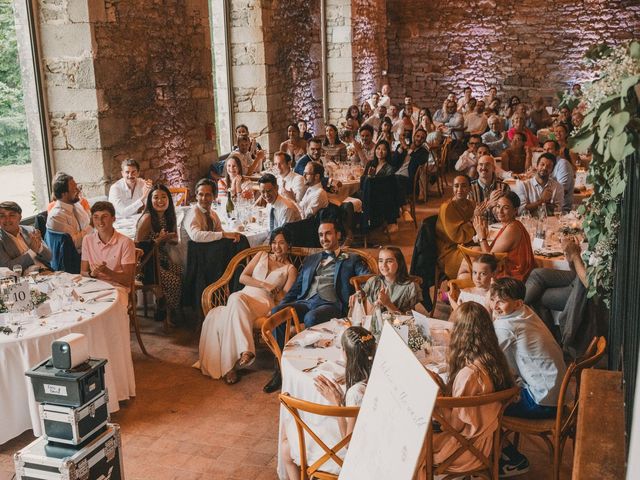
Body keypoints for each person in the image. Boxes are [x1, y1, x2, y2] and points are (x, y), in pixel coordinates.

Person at [264, 220, 370, 393]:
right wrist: (281, 307)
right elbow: (296, 288)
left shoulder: (351, 259)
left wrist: (359, 293)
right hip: (305, 301)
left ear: (338, 235)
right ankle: (280, 371)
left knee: (311, 317)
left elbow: (368, 278)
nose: (324, 238)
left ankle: (314, 370)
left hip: (331, 304)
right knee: (278, 312)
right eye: (321, 235)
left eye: (328, 233)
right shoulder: (311, 259)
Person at [197, 227, 297, 384]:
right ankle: (231, 367)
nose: (276, 247)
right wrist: (265, 284)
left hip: (264, 302)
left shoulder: (290, 269)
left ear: (289, 245)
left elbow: (286, 297)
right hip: (245, 296)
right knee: (216, 314)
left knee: (234, 299)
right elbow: (243, 278)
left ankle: (246, 351)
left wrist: (274, 291)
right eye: (274, 243)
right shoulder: (261, 255)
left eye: (282, 243)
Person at [490, 277, 567, 475]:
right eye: (494, 300)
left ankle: (514, 459)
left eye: (502, 301)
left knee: (485, 407)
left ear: (518, 303)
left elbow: (487, 358)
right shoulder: (524, 313)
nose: (496, 306)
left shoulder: (507, 327)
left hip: (542, 401)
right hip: (556, 393)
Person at [428, 301, 515, 474]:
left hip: (462, 451)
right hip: (485, 445)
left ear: (460, 334)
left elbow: (452, 425)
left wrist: (438, 401)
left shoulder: (469, 375)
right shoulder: (495, 360)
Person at [280, 326, 377, 479]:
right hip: (368, 436)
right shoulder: (374, 374)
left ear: (346, 354)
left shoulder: (355, 394)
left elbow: (349, 444)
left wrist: (337, 404)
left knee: (286, 447)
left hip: (351, 454)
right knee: (289, 427)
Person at [135, 184, 183, 323]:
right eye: (156, 197)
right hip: (146, 264)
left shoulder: (169, 217)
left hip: (160, 259)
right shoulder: (147, 218)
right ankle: (168, 310)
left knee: (181, 271)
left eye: (164, 197)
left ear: (169, 200)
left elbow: (174, 240)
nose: (160, 201)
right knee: (174, 281)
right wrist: (158, 240)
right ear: (150, 200)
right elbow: (138, 247)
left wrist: (169, 238)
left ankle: (166, 306)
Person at [525, 235, 588, 334]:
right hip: (578, 277)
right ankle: (516, 304)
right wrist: (570, 255)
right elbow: (577, 270)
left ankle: (516, 307)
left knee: (538, 296)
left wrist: (575, 255)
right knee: (537, 274)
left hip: (583, 289)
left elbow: (588, 283)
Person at [472, 191, 534, 282]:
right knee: (473, 253)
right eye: (498, 206)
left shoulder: (512, 228)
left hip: (511, 279)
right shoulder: (509, 225)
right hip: (503, 272)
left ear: (515, 210)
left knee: (471, 261)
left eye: (505, 208)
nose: (499, 211)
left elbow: (488, 260)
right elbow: (490, 254)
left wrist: (482, 237)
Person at [81, 201, 135, 291]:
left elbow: (127, 280)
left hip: (117, 288)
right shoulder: (87, 240)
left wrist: (106, 271)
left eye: (104, 217)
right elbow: (83, 273)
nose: (100, 221)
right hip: (94, 286)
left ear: (113, 219)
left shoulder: (126, 242)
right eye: (96, 217)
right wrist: (92, 274)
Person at [352, 246, 423, 314]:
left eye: (389, 261)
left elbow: (410, 321)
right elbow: (370, 317)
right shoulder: (373, 282)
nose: (384, 265)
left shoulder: (410, 287)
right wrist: (359, 296)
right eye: (380, 260)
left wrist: (387, 303)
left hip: (399, 326)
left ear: (400, 263)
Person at [435, 175, 475, 280]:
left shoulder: (471, 204)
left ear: (470, 188)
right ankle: (457, 291)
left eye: (464, 186)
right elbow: (457, 237)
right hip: (450, 252)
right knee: (477, 260)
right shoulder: (447, 207)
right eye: (456, 186)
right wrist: (472, 219)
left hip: (468, 245)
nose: (460, 190)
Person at [182, 178, 241, 243]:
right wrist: (224, 234)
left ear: (215, 197)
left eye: (207, 195)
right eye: (200, 194)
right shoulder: (192, 213)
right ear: (196, 196)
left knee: (239, 238)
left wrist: (231, 235)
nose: (203, 198)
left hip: (210, 248)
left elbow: (220, 233)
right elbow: (195, 235)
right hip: (194, 250)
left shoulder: (213, 214)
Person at [46, 173, 92, 252]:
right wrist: (92, 226)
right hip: (76, 258)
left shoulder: (77, 205)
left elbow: (88, 225)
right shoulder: (56, 216)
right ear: (64, 194)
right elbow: (74, 243)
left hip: (89, 248)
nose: (78, 190)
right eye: (74, 188)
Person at [0, 201, 51, 271]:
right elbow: (8, 267)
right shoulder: (1, 240)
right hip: (24, 278)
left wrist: (39, 247)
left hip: (47, 272)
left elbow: (49, 257)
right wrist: (32, 252)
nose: (7, 219)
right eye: (2, 216)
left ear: (20, 217)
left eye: (12, 215)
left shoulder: (31, 230)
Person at [393, 127, 429, 225]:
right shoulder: (403, 146)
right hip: (396, 177)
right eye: (417, 136)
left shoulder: (424, 152)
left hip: (409, 181)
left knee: (395, 180)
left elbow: (419, 161)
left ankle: (399, 213)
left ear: (424, 140)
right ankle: (401, 210)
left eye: (422, 138)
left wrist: (408, 149)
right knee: (390, 183)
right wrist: (401, 147)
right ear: (414, 136)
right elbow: (393, 162)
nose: (419, 139)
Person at [469, 155, 510, 223]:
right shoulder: (470, 188)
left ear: (494, 168)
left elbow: (508, 215)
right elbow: (469, 217)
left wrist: (495, 207)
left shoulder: (504, 187)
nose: (483, 167)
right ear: (477, 168)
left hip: (499, 228)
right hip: (476, 229)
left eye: (487, 165)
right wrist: (490, 204)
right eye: (481, 165)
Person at [543, 140, 575, 212]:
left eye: (549, 149)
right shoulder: (547, 165)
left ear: (557, 151)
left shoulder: (563, 164)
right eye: (544, 149)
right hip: (548, 207)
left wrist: (542, 199)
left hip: (561, 209)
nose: (546, 152)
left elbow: (563, 190)